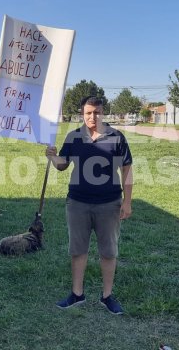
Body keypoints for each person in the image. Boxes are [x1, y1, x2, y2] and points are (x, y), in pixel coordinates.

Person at [45, 96, 133, 315]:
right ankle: (77, 294)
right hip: (78, 203)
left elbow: (127, 170)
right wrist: (52, 157)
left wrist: (128, 201)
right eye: (88, 113)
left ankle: (107, 296)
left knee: (108, 252)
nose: (92, 117)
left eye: (97, 112)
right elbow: (63, 165)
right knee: (77, 250)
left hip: (109, 203)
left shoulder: (117, 137)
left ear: (103, 112)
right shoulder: (74, 136)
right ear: (82, 114)